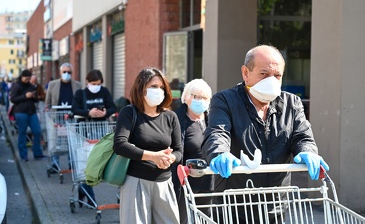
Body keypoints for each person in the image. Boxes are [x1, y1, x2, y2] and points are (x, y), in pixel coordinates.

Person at [201, 45, 330, 223]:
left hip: (275, 206)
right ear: (246, 73)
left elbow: (302, 136)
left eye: (277, 76)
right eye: (264, 74)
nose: (272, 81)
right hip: (233, 207)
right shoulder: (225, 101)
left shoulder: (292, 103)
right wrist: (219, 153)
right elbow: (217, 132)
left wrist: (307, 150)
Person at [113, 67, 182, 223]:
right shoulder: (129, 113)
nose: (159, 90)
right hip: (136, 183)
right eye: (153, 86)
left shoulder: (170, 116)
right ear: (141, 88)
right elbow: (119, 145)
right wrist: (153, 157)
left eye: (162, 87)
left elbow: (179, 151)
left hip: (164, 184)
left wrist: (169, 158)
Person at [71, 69, 116, 207]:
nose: (95, 85)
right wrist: (88, 112)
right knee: (85, 163)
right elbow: (74, 109)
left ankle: (84, 189)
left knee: (99, 163)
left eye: (97, 83)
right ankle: (88, 191)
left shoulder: (104, 92)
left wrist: (105, 112)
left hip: (101, 132)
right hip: (84, 132)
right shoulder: (81, 94)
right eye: (92, 83)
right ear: (87, 82)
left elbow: (112, 107)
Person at [172, 78, 214, 224]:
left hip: (210, 183)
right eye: (195, 96)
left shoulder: (213, 120)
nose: (199, 100)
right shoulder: (177, 120)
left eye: (204, 97)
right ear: (186, 97)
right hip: (185, 185)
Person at [45, 63, 82, 174]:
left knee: (71, 142)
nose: (67, 74)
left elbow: (80, 100)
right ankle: (55, 164)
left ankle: (72, 164)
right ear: (60, 73)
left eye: (69, 72)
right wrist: (50, 114)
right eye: (64, 72)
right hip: (57, 118)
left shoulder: (78, 85)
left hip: (71, 118)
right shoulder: (53, 84)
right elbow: (48, 102)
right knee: (56, 142)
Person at [9, 69, 46, 162]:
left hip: (32, 112)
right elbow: (13, 99)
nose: (27, 80)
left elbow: (36, 99)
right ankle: (23, 155)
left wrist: (34, 96)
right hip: (21, 112)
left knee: (37, 131)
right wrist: (25, 96)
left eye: (29, 78)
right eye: (26, 78)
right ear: (22, 77)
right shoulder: (16, 86)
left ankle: (37, 153)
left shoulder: (30, 86)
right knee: (22, 133)